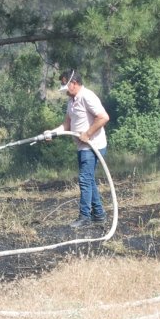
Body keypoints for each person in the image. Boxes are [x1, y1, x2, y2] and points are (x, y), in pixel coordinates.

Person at [44, 69, 110, 228]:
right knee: (89, 180)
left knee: (84, 180)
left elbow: (103, 117)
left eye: (65, 85)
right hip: (82, 147)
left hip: (92, 146)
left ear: (73, 84)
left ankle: (85, 217)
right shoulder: (72, 101)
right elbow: (67, 125)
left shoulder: (87, 96)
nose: (64, 89)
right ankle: (99, 215)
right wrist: (52, 133)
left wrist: (87, 133)